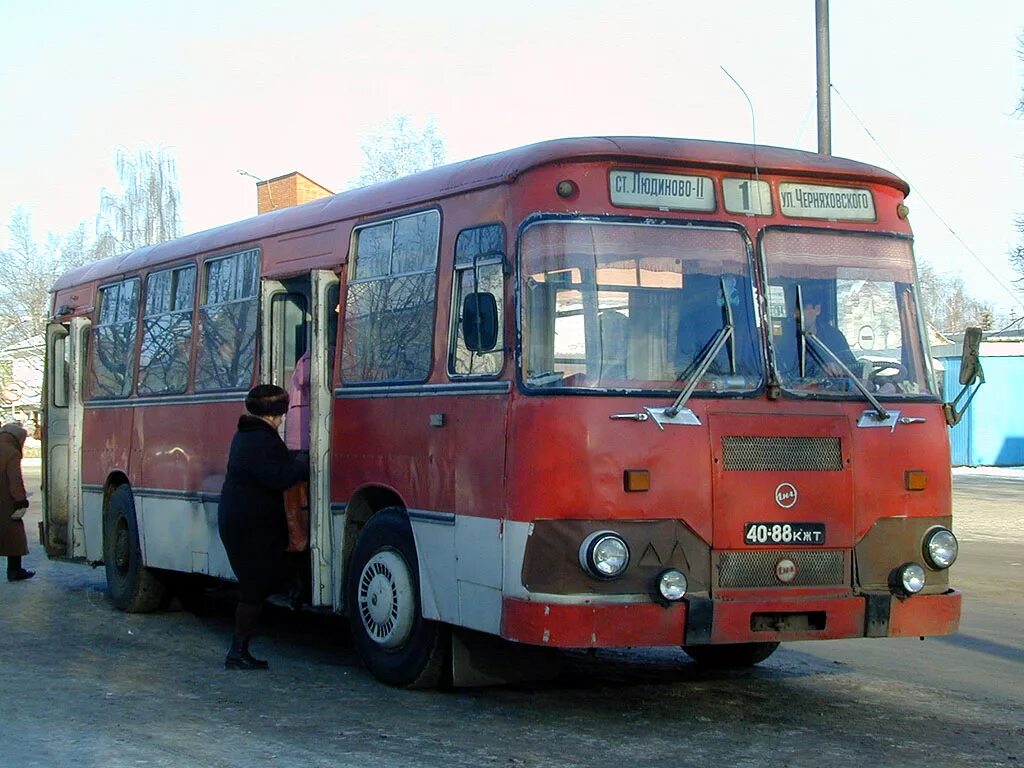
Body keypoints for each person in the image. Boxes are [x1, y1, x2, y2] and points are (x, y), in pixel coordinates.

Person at [218, 385, 308, 670]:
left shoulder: (246, 435)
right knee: (254, 589)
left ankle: (239, 650)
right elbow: (278, 477)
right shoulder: (261, 439)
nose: (282, 419)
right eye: (280, 413)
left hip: (241, 521)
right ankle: (237, 652)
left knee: (258, 584)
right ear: (273, 414)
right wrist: (304, 462)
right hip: (250, 526)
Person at [1, 422, 34, 582]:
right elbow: (15, 481)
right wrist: (20, 501)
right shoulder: (11, 452)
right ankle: (14, 571)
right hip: (5, 502)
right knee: (14, 535)